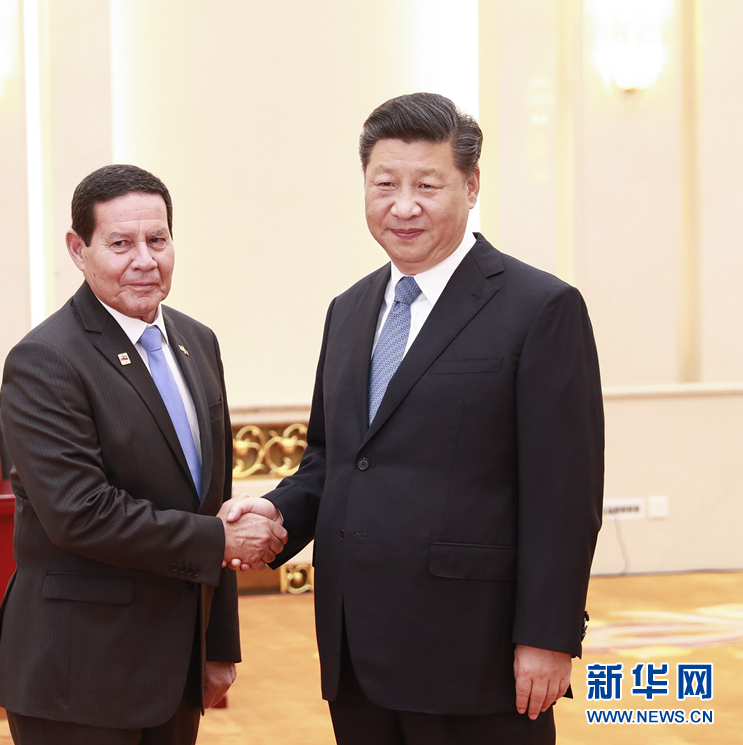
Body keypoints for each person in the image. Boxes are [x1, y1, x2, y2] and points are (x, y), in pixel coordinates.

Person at [228, 93, 604, 744]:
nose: (403, 206)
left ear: (471, 185)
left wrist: (548, 635)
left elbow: (564, 494)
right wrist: (275, 512)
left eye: (427, 185)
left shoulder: (540, 307)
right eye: (385, 185)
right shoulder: (349, 310)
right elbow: (333, 459)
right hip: (355, 650)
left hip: (476, 654)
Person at [0, 164, 286, 745]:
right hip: (79, 673)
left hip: (176, 670)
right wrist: (221, 541)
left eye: (157, 240)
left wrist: (218, 646)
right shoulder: (45, 359)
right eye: (121, 243)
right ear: (79, 250)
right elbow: (79, 513)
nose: (145, 260)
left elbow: (213, 500)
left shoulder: (197, 342)